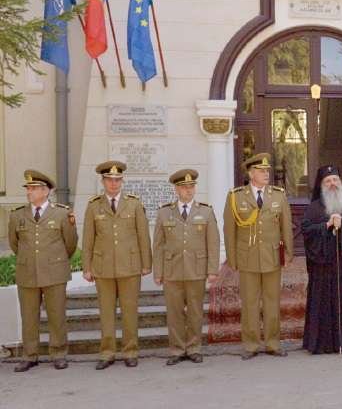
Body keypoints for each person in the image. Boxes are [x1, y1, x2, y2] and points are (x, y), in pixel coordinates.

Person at [224, 153, 294, 360]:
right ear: (251, 173)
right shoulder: (236, 196)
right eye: (261, 171)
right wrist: (232, 258)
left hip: (271, 256)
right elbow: (230, 230)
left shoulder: (278, 195)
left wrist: (288, 253)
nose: (266, 174)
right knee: (250, 303)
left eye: (267, 171)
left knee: (272, 302)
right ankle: (251, 345)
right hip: (248, 258)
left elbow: (286, 227)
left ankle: (273, 343)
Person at [83, 160, 152, 369]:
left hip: (130, 266)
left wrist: (146, 263)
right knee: (106, 312)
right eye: (109, 180)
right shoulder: (94, 205)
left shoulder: (134, 204)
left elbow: (143, 236)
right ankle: (107, 352)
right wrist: (87, 267)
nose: (114, 184)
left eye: (117, 180)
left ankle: (130, 351)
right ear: (103, 181)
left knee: (130, 311)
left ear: (122, 181)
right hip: (103, 267)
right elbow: (88, 239)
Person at [9, 170, 77, 372]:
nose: (28, 192)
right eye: (28, 188)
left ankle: (58, 354)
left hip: (55, 273)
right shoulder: (17, 214)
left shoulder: (62, 213)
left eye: (33, 188)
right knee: (29, 317)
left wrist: (54, 260)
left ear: (45, 191)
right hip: (27, 272)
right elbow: (15, 244)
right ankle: (30, 355)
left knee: (57, 316)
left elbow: (70, 243)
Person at [153, 169, 220, 365]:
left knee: (195, 311)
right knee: (174, 312)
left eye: (191, 187)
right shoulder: (164, 212)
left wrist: (212, 270)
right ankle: (176, 349)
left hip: (196, 269)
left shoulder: (206, 211)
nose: (188, 191)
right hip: (172, 270)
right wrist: (158, 272)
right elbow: (157, 245)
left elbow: (213, 243)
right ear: (176, 189)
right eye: (184, 187)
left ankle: (194, 348)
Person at [300, 165, 342, 353]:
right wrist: (326, 225)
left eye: (335, 180)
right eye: (328, 181)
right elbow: (306, 231)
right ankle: (320, 344)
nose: (332, 184)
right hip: (321, 267)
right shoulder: (314, 208)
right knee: (320, 304)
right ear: (321, 185)